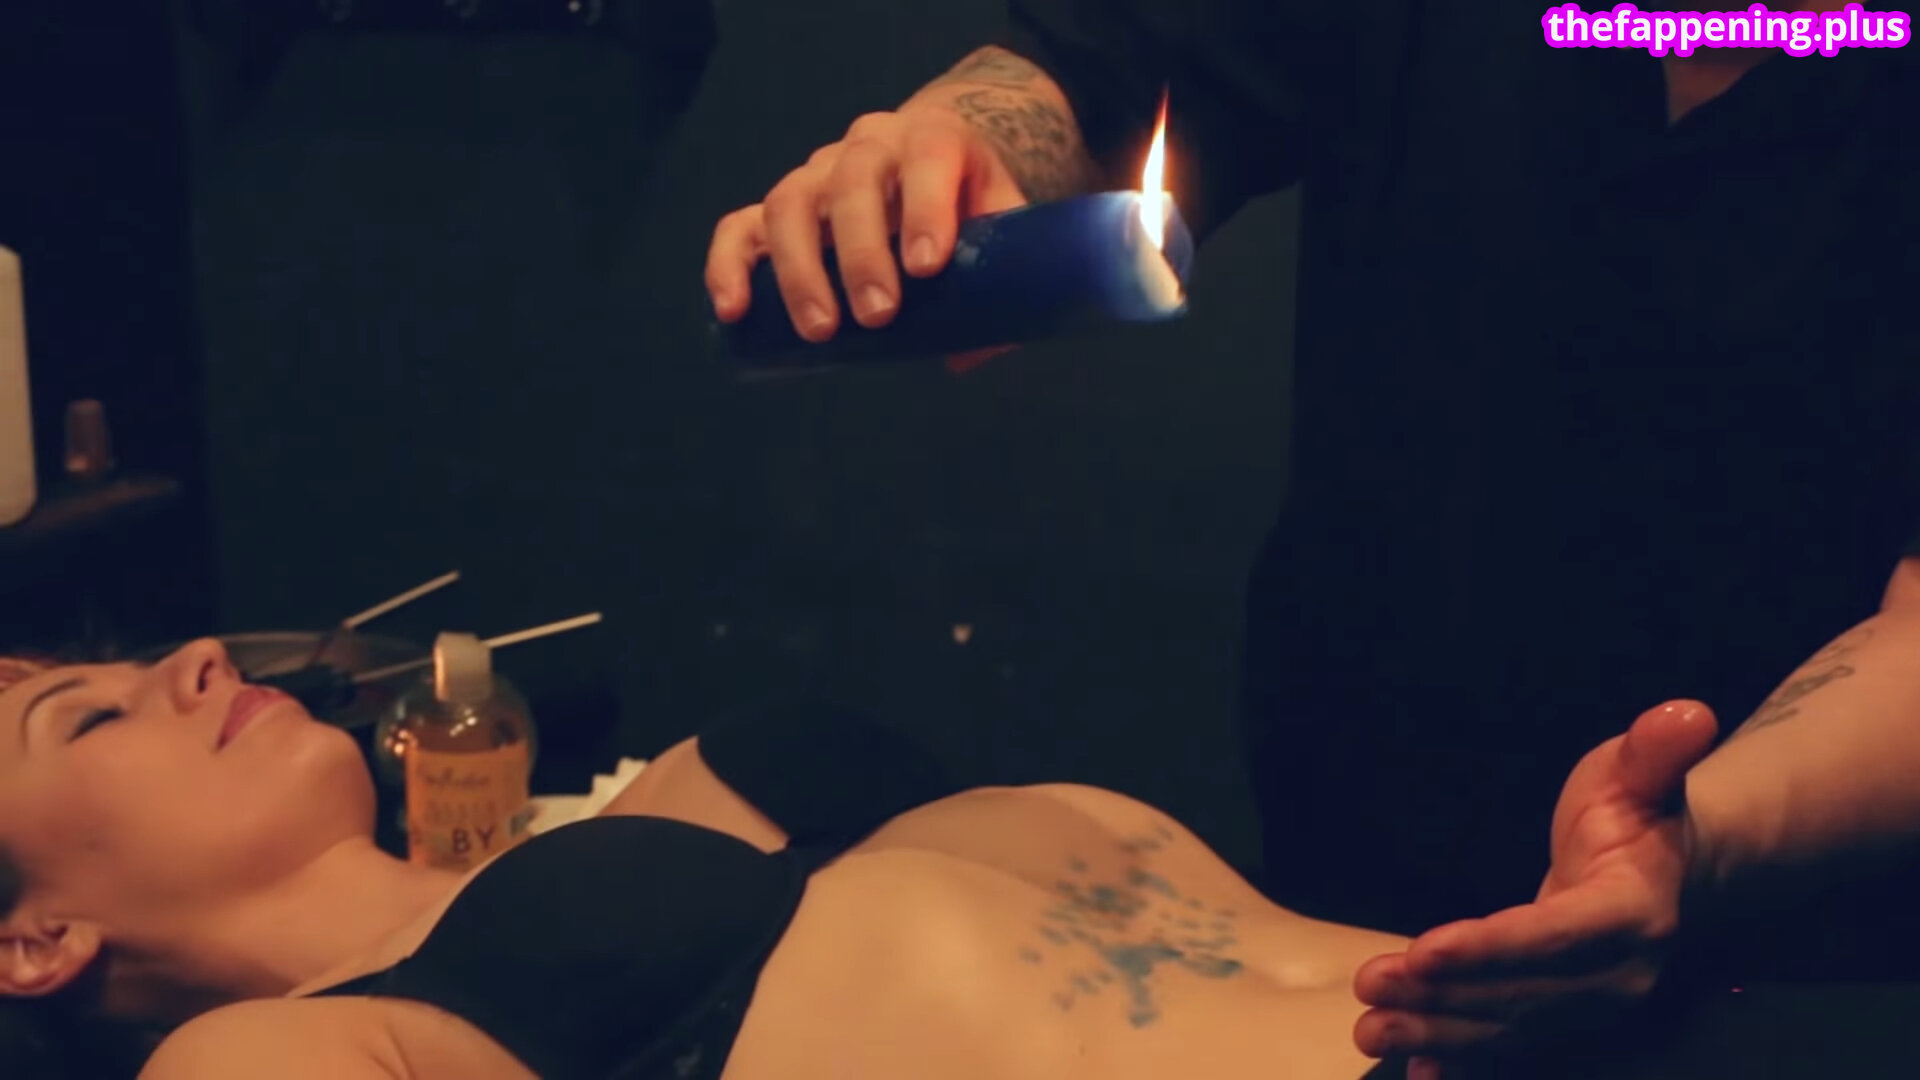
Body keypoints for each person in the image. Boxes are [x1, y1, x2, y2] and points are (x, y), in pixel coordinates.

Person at [703, 0, 1920, 1071]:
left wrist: (1689, 845)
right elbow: (1101, 71)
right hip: (1351, 862)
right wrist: (950, 148)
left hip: (1782, 954)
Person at [0, 638, 1476, 1079]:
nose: (196, 656)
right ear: (32, 943)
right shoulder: (262, 1052)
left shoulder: (662, 811)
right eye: (88, 714)